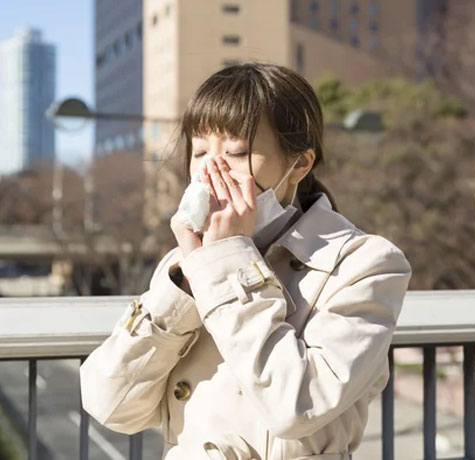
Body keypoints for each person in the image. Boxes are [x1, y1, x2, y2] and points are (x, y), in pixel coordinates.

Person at [79, 62, 412, 460]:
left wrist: (226, 262)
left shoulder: (365, 263)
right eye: (200, 151)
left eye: (236, 153)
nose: (211, 171)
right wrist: (187, 282)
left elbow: (298, 405)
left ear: (300, 164)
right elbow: (110, 405)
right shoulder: (188, 263)